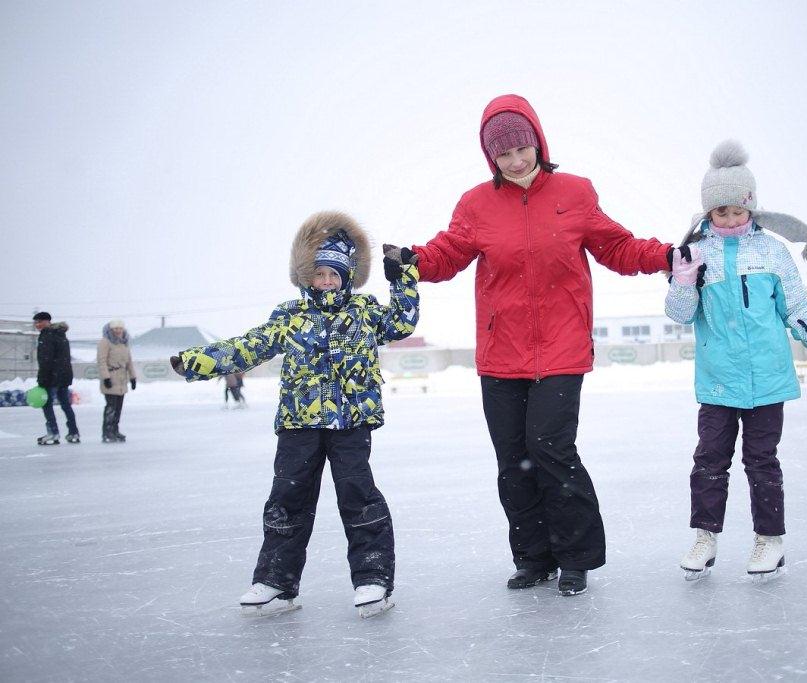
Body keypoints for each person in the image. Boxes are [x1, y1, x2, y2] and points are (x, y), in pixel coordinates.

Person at [386, 94, 676, 597]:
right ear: (490, 158)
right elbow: (447, 253)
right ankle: (533, 557)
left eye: (522, 148)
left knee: (551, 449)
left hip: (561, 350)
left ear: (539, 142)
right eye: (504, 154)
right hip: (501, 355)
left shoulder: (575, 192)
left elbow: (618, 246)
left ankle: (576, 558)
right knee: (512, 459)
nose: (516, 161)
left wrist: (667, 256)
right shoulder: (475, 204)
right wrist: (411, 260)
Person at [170, 211, 419, 618]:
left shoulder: (363, 312)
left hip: (350, 422)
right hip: (299, 423)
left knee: (358, 496)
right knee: (287, 498)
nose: (325, 281)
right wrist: (198, 361)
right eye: (318, 273)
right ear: (306, 276)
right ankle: (276, 582)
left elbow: (402, 322)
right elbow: (248, 347)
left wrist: (403, 275)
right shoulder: (290, 316)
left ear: (347, 277)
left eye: (333, 274)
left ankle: (373, 578)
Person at [664, 140, 807, 582]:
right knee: (709, 460)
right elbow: (680, 314)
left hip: (768, 381)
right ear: (708, 214)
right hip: (718, 381)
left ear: (751, 207)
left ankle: (769, 540)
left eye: (739, 210)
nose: (731, 219)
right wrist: (682, 281)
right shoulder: (697, 254)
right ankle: (704, 537)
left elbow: (797, 310)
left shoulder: (774, 252)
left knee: (762, 461)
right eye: (721, 212)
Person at [33, 311, 79, 445]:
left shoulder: (47, 336)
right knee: (65, 404)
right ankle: (73, 432)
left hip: (52, 376)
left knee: (47, 404)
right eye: (36, 322)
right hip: (63, 375)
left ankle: (53, 432)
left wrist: (42, 378)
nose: (38, 325)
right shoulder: (61, 334)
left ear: (48, 321)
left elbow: (46, 359)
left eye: (40, 321)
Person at [97, 319, 137, 443]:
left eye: (120, 329)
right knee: (111, 407)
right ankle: (107, 432)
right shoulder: (105, 342)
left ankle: (115, 430)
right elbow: (101, 361)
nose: (118, 331)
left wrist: (133, 377)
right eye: (115, 329)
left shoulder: (124, 342)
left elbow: (129, 361)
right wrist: (106, 377)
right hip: (111, 377)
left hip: (121, 379)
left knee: (118, 407)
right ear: (111, 330)